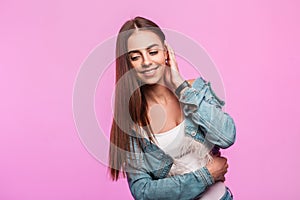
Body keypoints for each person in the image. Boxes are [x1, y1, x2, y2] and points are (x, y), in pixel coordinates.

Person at [108, 16, 236, 200]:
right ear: (128, 64)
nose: (146, 62)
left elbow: (227, 136)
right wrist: (206, 176)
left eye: (153, 52)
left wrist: (181, 86)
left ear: (166, 52)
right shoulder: (131, 122)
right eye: (136, 57)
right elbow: (143, 192)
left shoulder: (195, 90)